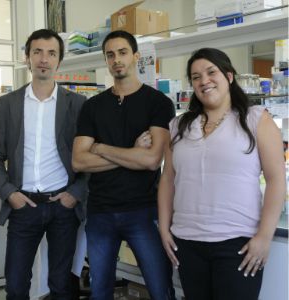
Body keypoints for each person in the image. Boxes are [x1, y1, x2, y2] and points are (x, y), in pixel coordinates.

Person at [158, 48, 286, 300]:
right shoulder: (179, 125)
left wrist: (264, 236)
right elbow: (167, 179)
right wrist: (164, 228)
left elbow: (276, 180)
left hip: (237, 243)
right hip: (187, 241)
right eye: (196, 77)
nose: (204, 81)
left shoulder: (256, 119)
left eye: (210, 72)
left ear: (228, 76)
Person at [72, 30, 176, 300]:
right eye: (110, 55)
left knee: (160, 289)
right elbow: (79, 161)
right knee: (100, 292)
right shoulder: (93, 107)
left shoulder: (158, 104)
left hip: (143, 211)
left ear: (135, 56)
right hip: (101, 212)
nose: (116, 59)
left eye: (122, 52)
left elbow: (153, 160)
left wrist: (101, 148)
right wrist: (132, 154)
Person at [0, 28, 87, 299]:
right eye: (37, 52)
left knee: (62, 285)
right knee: (17, 286)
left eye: (51, 53)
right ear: (27, 58)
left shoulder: (77, 104)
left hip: (62, 206)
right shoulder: (7, 104)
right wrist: (10, 194)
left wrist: (75, 194)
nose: (44, 59)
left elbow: (89, 157)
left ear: (59, 60)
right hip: (23, 206)